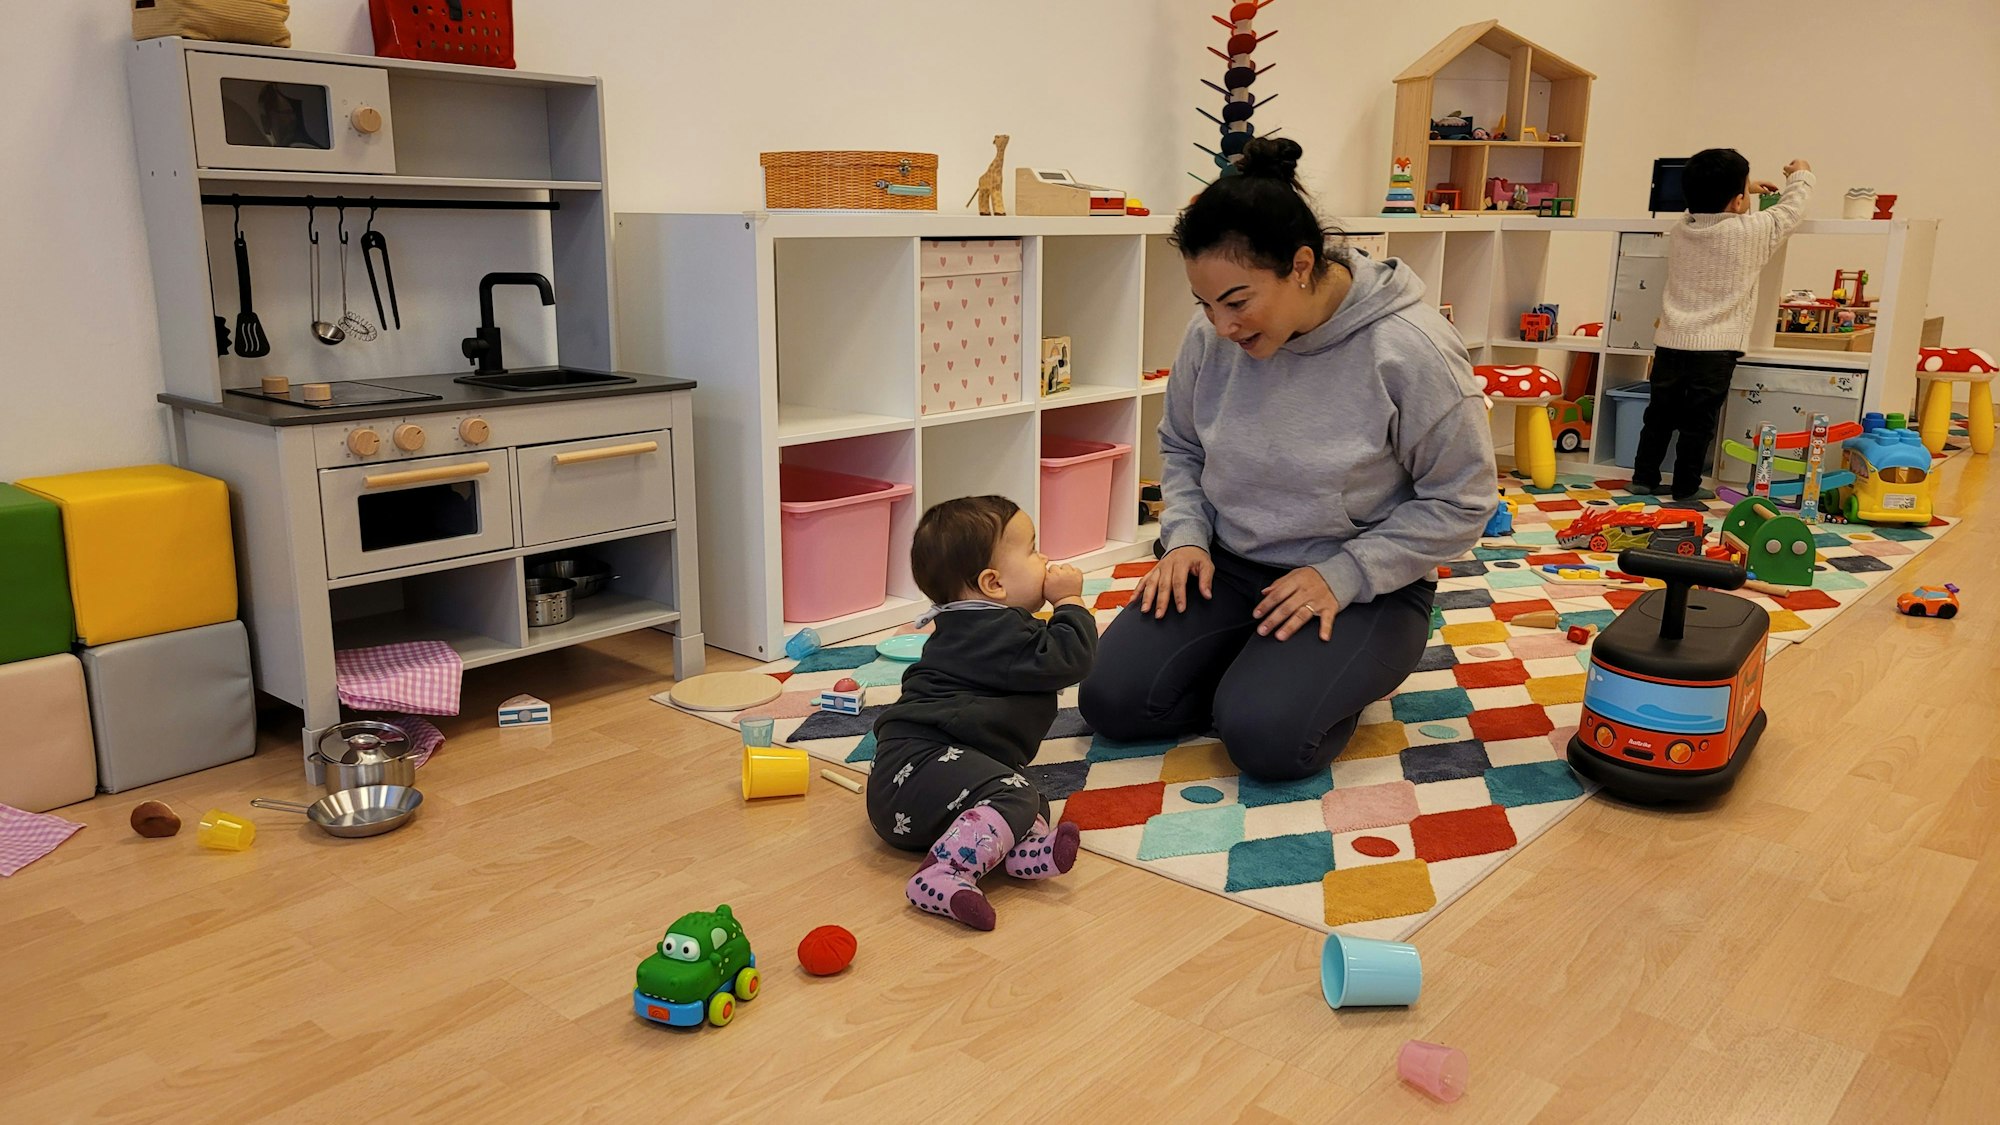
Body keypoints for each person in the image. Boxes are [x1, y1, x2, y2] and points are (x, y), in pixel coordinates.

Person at [1077, 137, 1495, 782]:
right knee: (1111, 701)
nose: (1221, 327)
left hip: (1360, 586)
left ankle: (1290, 682)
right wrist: (1185, 539)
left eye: (1238, 302)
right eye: (1204, 304)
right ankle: (1258, 666)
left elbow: (1462, 500)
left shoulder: (1408, 349)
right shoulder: (1211, 335)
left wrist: (1346, 575)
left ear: (1301, 265)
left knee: (1266, 742)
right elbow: (1183, 446)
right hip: (1227, 566)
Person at [865, 496, 1095, 931]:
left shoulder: (969, 626)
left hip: (915, 783)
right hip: (923, 765)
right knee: (1016, 794)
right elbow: (1071, 658)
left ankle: (1016, 852)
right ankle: (942, 873)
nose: (1044, 559)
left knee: (1022, 791)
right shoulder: (998, 630)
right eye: (1032, 549)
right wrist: (1071, 602)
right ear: (993, 584)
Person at [1631, 149, 1815, 499]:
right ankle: (1685, 487)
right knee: (1697, 424)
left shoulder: (1682, 229)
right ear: (1737, 200)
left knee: (1659, 416)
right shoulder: (1752, 231)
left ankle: (1643, 477)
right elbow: (1792, 210)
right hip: (1715, 348)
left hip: (1671, 341)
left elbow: (1707, 210)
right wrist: (1801, 175)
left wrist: (1746, 192)